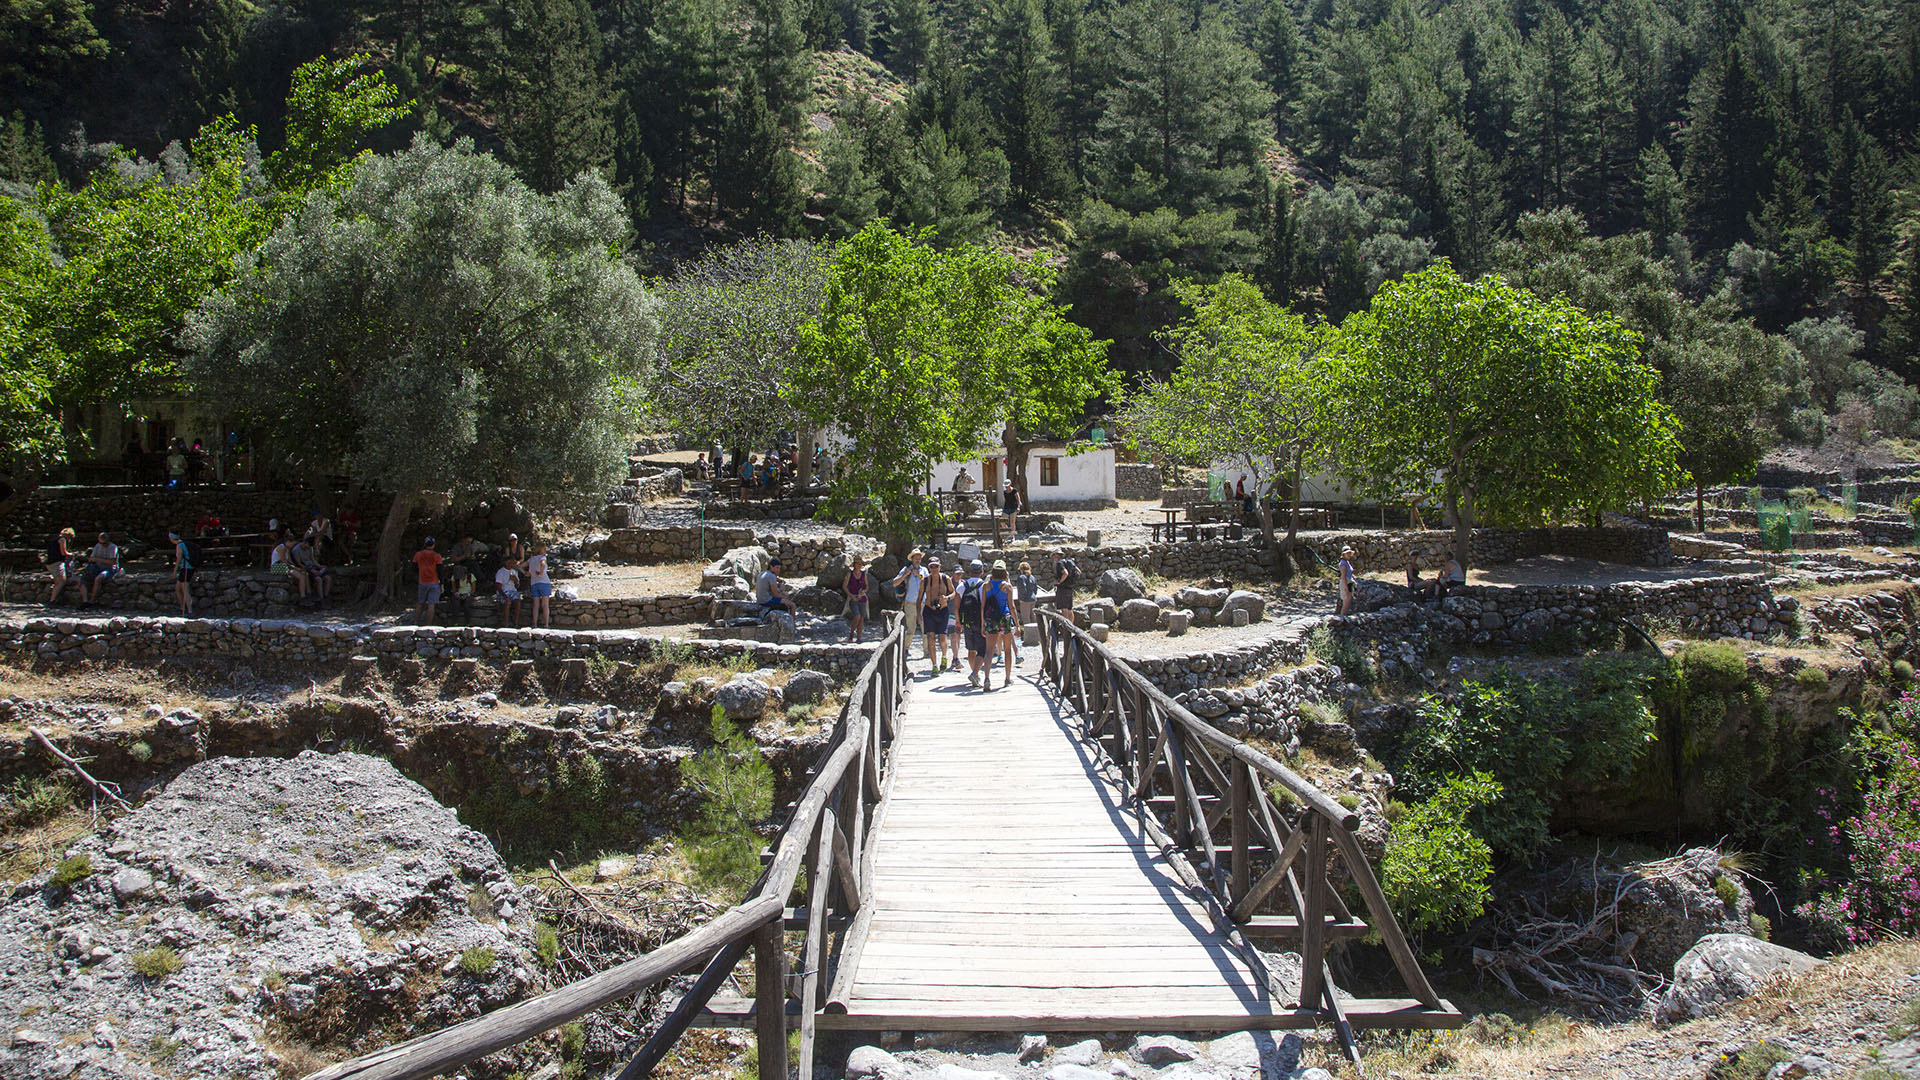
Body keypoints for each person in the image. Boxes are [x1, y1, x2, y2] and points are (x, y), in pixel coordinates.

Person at [983, 561, 1017, 688]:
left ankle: (986, 678)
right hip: (1004, 617)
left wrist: (982, 622)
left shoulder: (986, 586)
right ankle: (1007, 678)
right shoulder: (1007, 586)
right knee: (1007, 649)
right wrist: (1017, 625)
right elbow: (1012, 606)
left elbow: (983, 606)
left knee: (989, 650)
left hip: (990, 619)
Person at [957, 560, 989, 686]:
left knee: (971, 650)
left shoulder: (962, 586)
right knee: (983, 650)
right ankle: (975, 673)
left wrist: (958, 622)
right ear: (982, 572)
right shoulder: (984, 585)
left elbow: (956, 606)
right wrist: (984, 623)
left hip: (967, 621)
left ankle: (975, 674)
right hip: (979, 621)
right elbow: (984, 606)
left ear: (969, 572)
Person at [892, 550, 928, 660]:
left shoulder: (924, 570)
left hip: (923, 602)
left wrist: (919, 575)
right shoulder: (905, 570)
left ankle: (926, 651)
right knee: (910, 628)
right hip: (910, 603)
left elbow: (928, 582)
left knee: (925, 628)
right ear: (912, 559)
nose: (917, 560)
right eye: (916, 558)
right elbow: (894, 583)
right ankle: (906, 649)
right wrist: (905, 575)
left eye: (919, 558)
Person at [920, 557, 951, 674]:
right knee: (930, 638)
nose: (934, 569)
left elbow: (953, 592)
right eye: (931, 567)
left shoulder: (945, 578)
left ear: (940, 566)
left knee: (942, 638)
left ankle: (944, 656)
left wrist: (946, 598)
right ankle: (934, 665)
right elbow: (919, 598)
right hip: (929, 611)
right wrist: (919, 614)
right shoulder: (925, 581)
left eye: (936, 566)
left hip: (942, 610)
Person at [82, 532, 120, 605]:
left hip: (110, 569)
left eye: (104, 543)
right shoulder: (97, 546)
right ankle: (85, 600)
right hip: (97, 567)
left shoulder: (113, 547)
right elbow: (92, 558)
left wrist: (98, 560)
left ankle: (92, 600)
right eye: (101, 543)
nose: (102, 545)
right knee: (85, 577)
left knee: (98, 578)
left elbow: (112, 562)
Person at [45, 527, 79, 606]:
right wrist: (72, 554)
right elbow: (63, 552)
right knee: (61, 582)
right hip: (57, 563)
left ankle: (55, 599)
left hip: (50, 563)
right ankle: (52, 601)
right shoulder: (62, 539)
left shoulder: (52, 539)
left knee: (57, 582)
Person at [292, 534, 331, 603]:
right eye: (307, 546)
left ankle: (326, 596)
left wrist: (319, 566)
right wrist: (310, 569)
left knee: (328, 578)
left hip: (312, 566)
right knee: (318, 579)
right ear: (305, 543)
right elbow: (299, 563)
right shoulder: (296, 550)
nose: (308, 548)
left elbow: (313, 560)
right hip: (306, 568)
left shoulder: (310, 548)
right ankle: (320, 598)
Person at [1012, 560, 1039, 660]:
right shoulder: (1032, 577)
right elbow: (1035, 588)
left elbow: (1022, 588)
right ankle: (1037, 635)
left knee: (1026, 618)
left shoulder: (1021, 577)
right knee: (1033, 617)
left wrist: (1022, 598)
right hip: (1033, 599)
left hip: (1026, 600)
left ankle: (1029, 637)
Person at [271, 534, 310, 600]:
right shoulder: (282, 548)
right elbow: (284, 562)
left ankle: (309, 592)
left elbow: (290, 561)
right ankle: (303, 596)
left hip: (285, 566)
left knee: (305, 573)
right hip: (277, 566)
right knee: (301, 576)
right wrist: (295, 568)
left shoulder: (287, 549)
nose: (293, 546)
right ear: (288, 542)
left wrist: (298, 568)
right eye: (293, 544)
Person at [413, 537, 443, 624]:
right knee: (431, 605)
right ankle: (428, 625)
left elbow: (414, 568)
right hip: (434, 582)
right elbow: (440, 571)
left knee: (420, 603)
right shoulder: (437, 556)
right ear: (433, 545)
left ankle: (415, 622)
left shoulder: (418, 555)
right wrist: (442, 583)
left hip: (422, 581)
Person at [527, 542, 553, 629]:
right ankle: (546, 624)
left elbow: (520, 566)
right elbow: (542, 564)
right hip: (544, 582)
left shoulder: (531, 559)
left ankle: (534, 624)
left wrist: (526, 573)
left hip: (534, 582)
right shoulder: (542, 557)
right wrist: (541, 573)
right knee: (545, 605)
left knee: (536, 605)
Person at [844, 555, 870, 643]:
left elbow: (867, 586)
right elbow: (845, 586)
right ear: (854, 564)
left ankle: (859, 637)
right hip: (853, 598)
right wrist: (851, 596)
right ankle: (851, 633)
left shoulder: (863, 574)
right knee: (857, 616)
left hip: (862, 598)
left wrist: (863, 592)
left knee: (862, 617)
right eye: (857, 563)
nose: (859, 565)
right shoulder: (850, 574)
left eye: (860, 564)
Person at [170, 530, 196, 616]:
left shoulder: (179, 545)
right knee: (178, 588)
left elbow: (179, 559)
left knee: (185, 589)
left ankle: (190, 611)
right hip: (186, 569)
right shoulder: (183, 543)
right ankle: (182, 608)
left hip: (186, 569)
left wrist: (174, 571)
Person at [494, 560, 523, 626]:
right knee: (507, 602)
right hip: (503, 591)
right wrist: (505, 596)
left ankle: (515, 623)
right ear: (507, 563)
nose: (514, 565)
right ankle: (506, 623)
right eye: (513, 563)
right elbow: (498, 586)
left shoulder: (514, 572)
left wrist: (515, 581)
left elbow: (517, 586)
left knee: (518, 602)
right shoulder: (501, 572)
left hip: (513, 591)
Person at [1337, 547, 1356, 616]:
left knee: (1348, 603)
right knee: (1345, 604)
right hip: (1346, 583)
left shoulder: (1346, 562)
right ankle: (1342, 619)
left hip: (1349, 582)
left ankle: (1344, 618)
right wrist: (1346, 587)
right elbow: (1343, 576)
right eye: (1347, 553)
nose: (1348, 554)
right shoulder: (1343, 563)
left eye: (1349, 553)